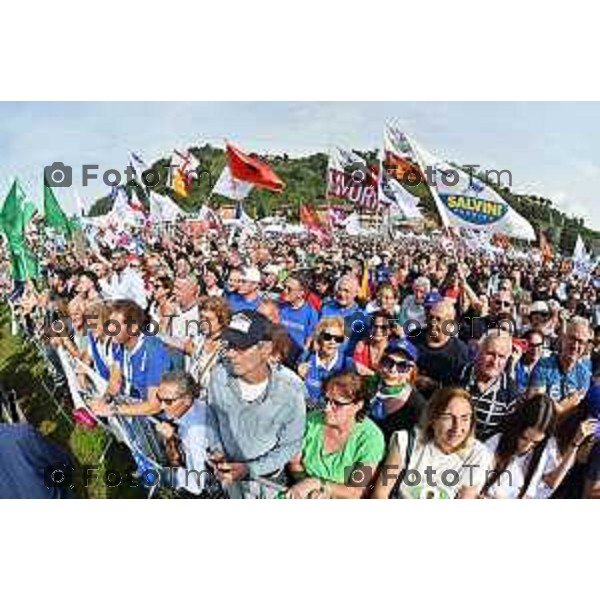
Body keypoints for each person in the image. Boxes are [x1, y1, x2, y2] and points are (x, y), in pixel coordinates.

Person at [206, 310, 306, 498]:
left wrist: (251, 469)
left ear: (265, 349)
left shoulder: (291, 390)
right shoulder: (219, 374)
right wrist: (217, 450)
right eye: (229, 345)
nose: (230, 354)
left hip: (267, 482)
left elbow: (290, 445)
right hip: (228, 475)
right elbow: (212, 415)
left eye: (241, 347)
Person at [372, 387, 492, 499]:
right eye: (448, 417)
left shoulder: (477, 454)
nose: (457, 427)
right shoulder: (406, 441)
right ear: (433, 419)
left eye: (465, 418)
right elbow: (380, 494)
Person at [286, 371, 385, 499]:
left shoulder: (371, 438)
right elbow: (295, 463)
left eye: (337, 404)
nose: (327, 408)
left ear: (358, 405)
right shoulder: (310, 421)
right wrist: (305, 486)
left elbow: (357, 490)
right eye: (327, 400)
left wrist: (318, 484)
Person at [482, 394, 596, 499]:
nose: (527, 446)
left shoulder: (540, 452)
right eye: (524, 438)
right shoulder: (495, 442)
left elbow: (548, 485)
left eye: (535, 442)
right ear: (517, 428)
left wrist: (575, 444)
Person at [89, 299, 172, 417]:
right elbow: (115, 382)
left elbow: (154, 405)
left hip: (160, 421)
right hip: (137, 414)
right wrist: (103, 401)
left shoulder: (154, 352)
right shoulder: (119, 346)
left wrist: (113, 410)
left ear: (133, 328)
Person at [153, 371, 217, 497]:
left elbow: (198, 485)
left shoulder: (195, 434)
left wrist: (169, 441)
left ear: (187, 399)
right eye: (159, 399)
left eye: (168, 401)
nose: (162, 406)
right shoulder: (195, 407)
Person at [460, 329, 519, 441]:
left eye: (501, 357)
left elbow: (507, 433)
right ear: (478, 351)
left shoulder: (510, 390)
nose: (494, 362)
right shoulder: (459, 375)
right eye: (490, 354)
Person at [528, 317, 592, 419]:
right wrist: (566, 404)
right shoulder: (543, 366)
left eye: (580, 342)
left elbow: (577, 410)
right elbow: (538, 409)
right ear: (563, 338)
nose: (575, 345)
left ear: (585, 347)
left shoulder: (584, 374)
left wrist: (552, 405)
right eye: (572, 338)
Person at [369, 339, 426, 442]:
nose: (393, 370)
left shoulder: (417, 406)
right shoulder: (366, 388)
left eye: (402, 366)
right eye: (388, 362)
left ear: (411, 373)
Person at [413, 299, 470, 397]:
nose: (433, 323)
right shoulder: (414, 336)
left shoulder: (459, 351)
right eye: (431, 317)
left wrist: (436, 386)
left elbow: (459, 390)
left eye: (438, 319)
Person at [298, 316, 354, 407]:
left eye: (338, 338)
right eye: (327, 337)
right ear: (319, 337)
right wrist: (299, 378)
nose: (332, 342)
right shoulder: (305, 358)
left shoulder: (347, 364)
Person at [279, 272, 319, 355]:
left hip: (294, 358)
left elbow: (308, 343)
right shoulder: (280, 307)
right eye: (284, 287)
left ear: (301, 293)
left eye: (289, 289)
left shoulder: (311, 313)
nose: (285, 291)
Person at [353, 311, 393, 376]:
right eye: (375, 326)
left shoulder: (393, 350)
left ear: (390, 331)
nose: (378, 331)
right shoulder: (362, 347)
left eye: (383, 327)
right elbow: (357, 369)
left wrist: (372, 374)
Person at [513, 328, 545, 395]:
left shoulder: (546, 367)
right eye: (531, 345)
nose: (535, 349)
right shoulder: (516, 365)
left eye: (539, 345)